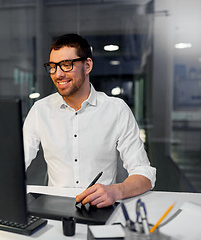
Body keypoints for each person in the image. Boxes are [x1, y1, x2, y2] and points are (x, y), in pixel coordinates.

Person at [23, 33, 156, 208]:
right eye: (53, 66)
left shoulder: (116, 109)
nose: (58, 74)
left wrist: (115, 191)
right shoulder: (40, 110)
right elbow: (15, 164)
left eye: (66, 65)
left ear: (87, 66)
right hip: (55, 208)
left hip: (102, 205)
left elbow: (144, 173)